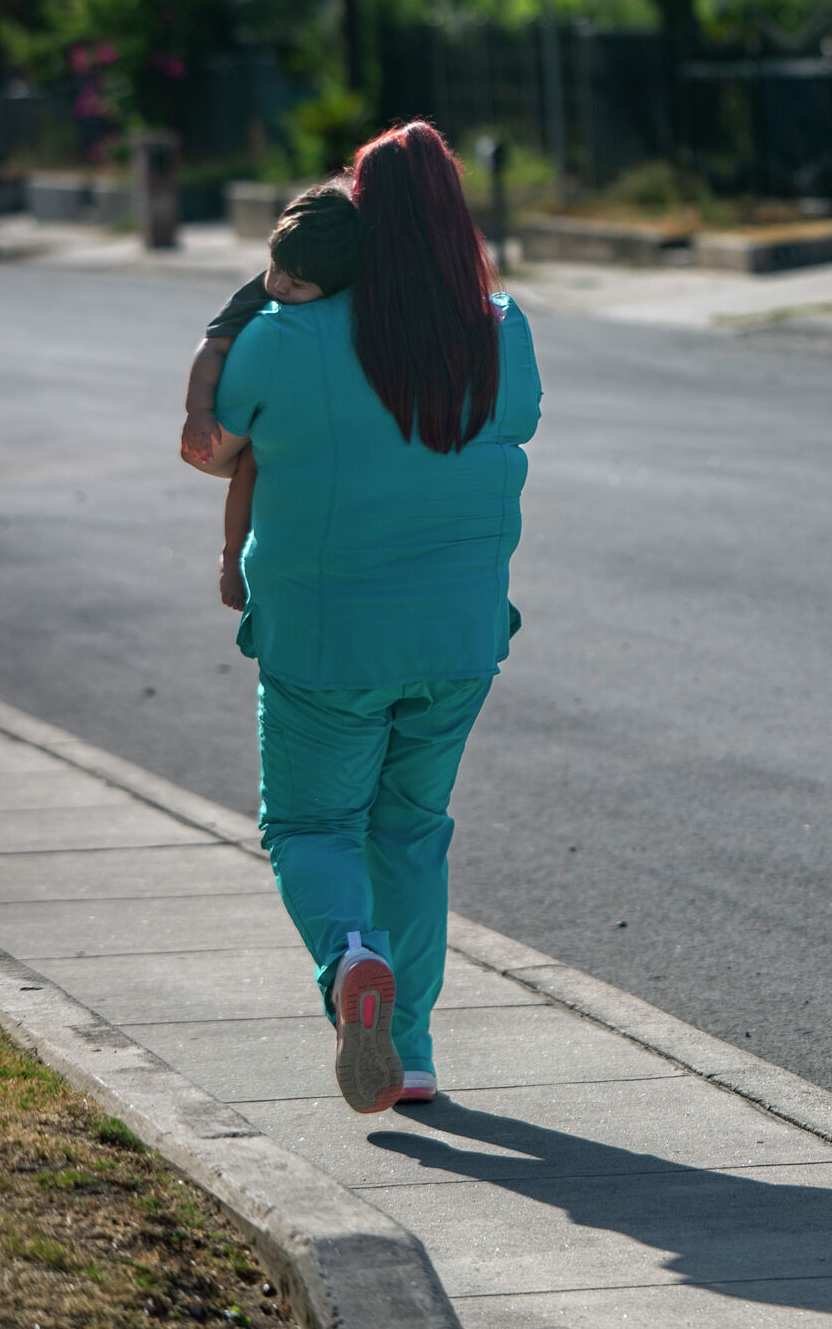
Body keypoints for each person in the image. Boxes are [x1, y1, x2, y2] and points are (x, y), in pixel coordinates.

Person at [181, 122, 542, 1113]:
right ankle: (413, 1049)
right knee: (410, 831)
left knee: (309, 822)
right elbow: (515, 426)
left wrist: (230, 330)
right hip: (461, 636)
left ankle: (350, 961)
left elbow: (213, 449)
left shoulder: (285, 337)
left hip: (326, 638)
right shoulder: (500, 327)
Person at [179, 183, 363, 610]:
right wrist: (199, 412)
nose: (278, 285)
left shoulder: (344, 305)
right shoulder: (257, 297)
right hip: (252, 419)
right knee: (249, 465)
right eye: (274, 267)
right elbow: (211, 348)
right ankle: (230, 558)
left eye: (296, 283)